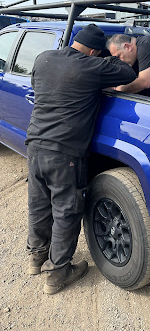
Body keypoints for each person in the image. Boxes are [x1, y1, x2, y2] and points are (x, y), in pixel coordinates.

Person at [26, 24, 137, 295]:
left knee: (39, 204)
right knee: (66, 209)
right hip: (65, 153)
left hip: (35, 145)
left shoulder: (44, 59)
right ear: (92, 51)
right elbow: (127, 72)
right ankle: (58, 273)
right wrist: (106, 58)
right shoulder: (90, 67)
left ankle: (36, 257)